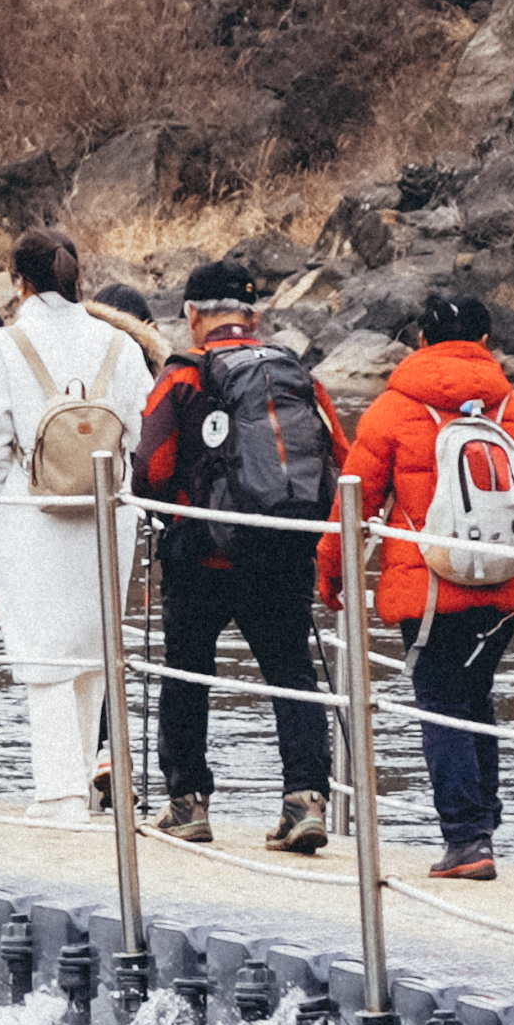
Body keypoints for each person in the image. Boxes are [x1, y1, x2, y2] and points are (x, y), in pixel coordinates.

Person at [332, 291, 514, 881]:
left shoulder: (391, 411)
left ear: (421, 341)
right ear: (487, 343)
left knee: (442, 701)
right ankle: (482, 827)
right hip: (504, 588)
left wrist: (331, 573)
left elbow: (353, 502)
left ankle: (467, 841)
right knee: (475, 699)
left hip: (426, 592)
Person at [134, 259, 351, 851]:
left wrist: (171, 510)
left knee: (187, 675)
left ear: (193, 316)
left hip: (201, 555)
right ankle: (305, 801)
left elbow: (150, 467)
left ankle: (188, 805)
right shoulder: (296, 374)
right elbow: (341, 455)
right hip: (281, 549)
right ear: (254, 316)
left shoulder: (183, 376)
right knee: (291, 674)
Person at [0, 228, 148, 819]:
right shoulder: (120, 345)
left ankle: (58, 792)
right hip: (107, 508)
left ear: (20, 281)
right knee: (93, 652)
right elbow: (144, 434)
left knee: (43, 658)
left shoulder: (0, 347)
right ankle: (80, 787)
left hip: (29, 512)